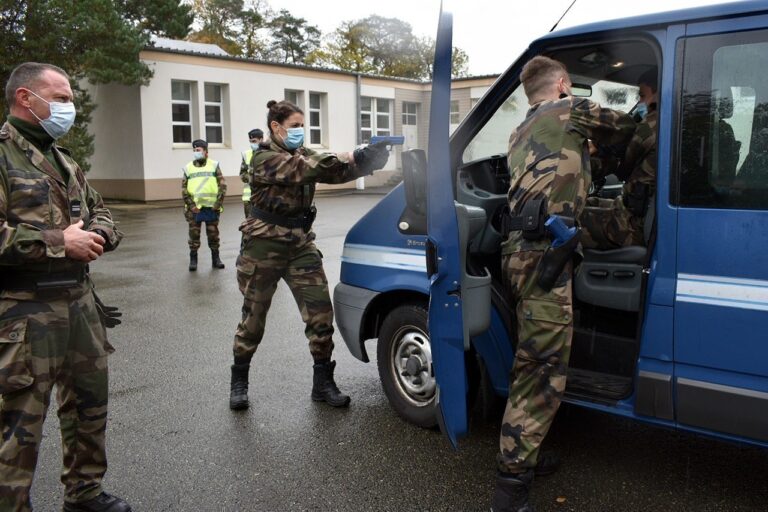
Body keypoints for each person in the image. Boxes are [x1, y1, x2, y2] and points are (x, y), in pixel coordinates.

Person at [493, 56, 635, 512]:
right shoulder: (571, 109)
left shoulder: (520, 132)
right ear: (564, 85)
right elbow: (629, 129)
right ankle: (510, 491)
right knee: (539, 372)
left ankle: (525, 455)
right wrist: (652, 102)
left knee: (532, 357)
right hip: (544, 256)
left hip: (518, 254)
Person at [0, 62, 130, 511]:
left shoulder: (64, 159)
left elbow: (101, 210)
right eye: (61, 98)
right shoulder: (3, 155)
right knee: (20, 423)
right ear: (25, 98)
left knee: (89, 408)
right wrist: (61, 241)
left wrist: (100, 235)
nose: (69, 107)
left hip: (79, 303)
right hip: (24, 312)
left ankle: (85, 494)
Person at [229, 100, 390, 411]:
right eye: (295, 126)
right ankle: (239, 380)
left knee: (320, 315)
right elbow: (306, 170)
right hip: (264, 245)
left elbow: (337, 170)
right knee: (253, 318)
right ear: (276, 127)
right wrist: (353, 154)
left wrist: (369, 160)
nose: (300, 132)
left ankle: (323, 382)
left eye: (303, 126)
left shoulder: (304, 153)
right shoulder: (262, 157)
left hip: (300, 245)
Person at [580, 68, 660, 249]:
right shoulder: (677, 122)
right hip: (648, 214)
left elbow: (624, 167)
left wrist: (594, 150)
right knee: (589, 202)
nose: (639, 101)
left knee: (563, 222)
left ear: (658, 94)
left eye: (642, 95)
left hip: (633, 226)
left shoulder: (651, 126)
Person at [181, 139, 226, 271]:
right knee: (194, 236)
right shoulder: (188, 168)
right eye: (194, 150)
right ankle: (193, 260)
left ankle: (216, 259)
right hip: (194, 209)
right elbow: (183, 190)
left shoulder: (214, 165)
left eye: (198, 150)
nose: (196, 152)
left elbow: (222, 185)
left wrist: (218, 204)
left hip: (211, 208)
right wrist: (191, 205)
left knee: (213, 235)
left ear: (206, 152)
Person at [240, 128, 265, 217]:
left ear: (261, 140)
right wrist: (252, 179)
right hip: (249, 198)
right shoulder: (246, 154)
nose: (252, 144)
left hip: (264, 197)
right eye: (250, 141)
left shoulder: (269, 154)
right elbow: (242, 174)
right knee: (249, 226)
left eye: (254, 141)